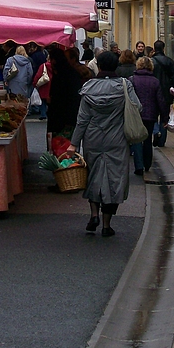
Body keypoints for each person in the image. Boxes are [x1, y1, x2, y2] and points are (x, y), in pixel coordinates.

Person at [64, 51, 140, 237]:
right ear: (116, 65)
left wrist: (73, 144)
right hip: (117, 138)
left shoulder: (89, 87)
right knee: (114, 179)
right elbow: (137, 107)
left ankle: (93, 214)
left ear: (98, 64)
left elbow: (81, 120)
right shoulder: (124, 85)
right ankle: (106, 225)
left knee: (94, 175)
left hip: (93, 138)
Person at [129, 57, 168, 175]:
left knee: (136, 140)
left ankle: (139, 166)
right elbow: (160, 100)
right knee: (147, 140)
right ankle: (147, 164)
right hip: (151, 115)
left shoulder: (132, 80)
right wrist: (164, 117)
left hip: (136, 115)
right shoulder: (155, 81)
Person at [46, 45, 86, 141]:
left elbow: (59, 97)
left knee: (59, 144)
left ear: (55, 60)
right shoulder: (72, 73)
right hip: (69, 117)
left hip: (60, 117)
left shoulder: (61, 75)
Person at [151, 40, 174, 148]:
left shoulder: (151, 62)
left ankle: (155, 131)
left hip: (154, 92)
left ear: (154, 48)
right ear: (163, 48)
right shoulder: (169, 61)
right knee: (165, 117)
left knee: (153, 115)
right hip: (166, 93)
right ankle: (162, 140)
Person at [32, 54, 53, 121]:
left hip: (44, 85)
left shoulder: (43, 66)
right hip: (52, 85)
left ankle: (43, 114)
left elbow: (38, 75)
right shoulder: (56, 66)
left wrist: (34, 83)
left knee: (43, 101)